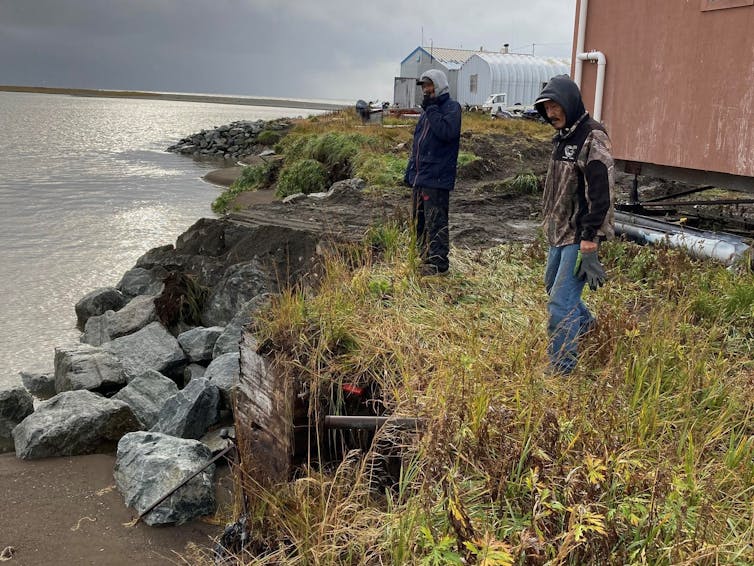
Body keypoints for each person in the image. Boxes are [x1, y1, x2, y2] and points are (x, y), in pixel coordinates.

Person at [534, 75, 615, 374]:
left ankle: (562, 369)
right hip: (558, 232)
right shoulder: (564, 136)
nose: (551, 113)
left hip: (579, 234)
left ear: (569, 101)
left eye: (556, 105)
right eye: (547, 107)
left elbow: (600, 191)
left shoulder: (592, 137)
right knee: (551, 287)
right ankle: (589, 328)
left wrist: (590, 238)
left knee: (560, 304)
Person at [404, 69, 462, 276]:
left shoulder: (451, 108)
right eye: (424, 86)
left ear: (439, 85)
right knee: (419, 221)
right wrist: (410, 172)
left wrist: (433, 110)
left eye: (429, 85)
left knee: (436, 221)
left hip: (436, 178)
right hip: (421, 177)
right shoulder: (427, 111)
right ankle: (424, 258)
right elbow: (418, 144)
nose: (426, 90)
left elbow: (447, 133)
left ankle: (439, 265)